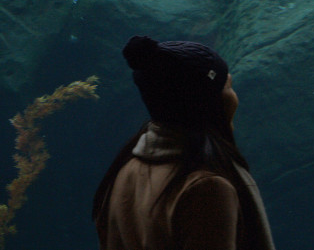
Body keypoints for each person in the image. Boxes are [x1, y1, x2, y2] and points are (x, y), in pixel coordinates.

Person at [93, 36, 275, 250]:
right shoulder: (207, 188)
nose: (235, 97)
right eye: (229, 86)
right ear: (207, 101)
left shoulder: (126, 170)